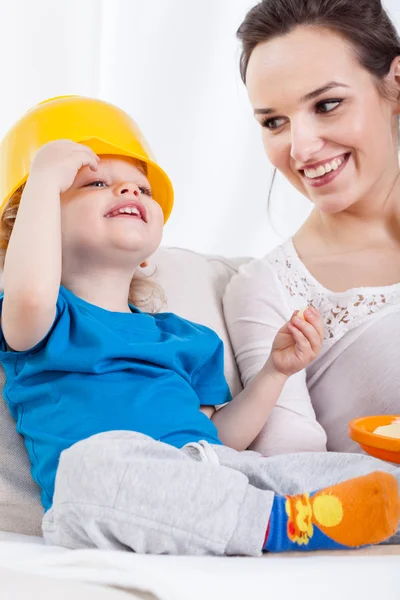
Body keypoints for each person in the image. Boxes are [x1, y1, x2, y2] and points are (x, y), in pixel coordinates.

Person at [0, 95, 398, 556]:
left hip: (214, 472)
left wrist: (274, 371)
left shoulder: (183, 337)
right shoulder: (39, 318)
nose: (129, 191)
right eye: (96, 183)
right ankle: (275, 524)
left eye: (141, 189)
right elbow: (29, 289)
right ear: (30, 219)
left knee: (330, 472)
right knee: (88, 466)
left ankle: (333, 513)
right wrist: (45, 175)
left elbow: (221, 435)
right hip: (117, 497)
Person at [224, 0, 400, 456]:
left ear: (395, 83)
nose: (300, 148)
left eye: (327, 104)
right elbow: (293, 470)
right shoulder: (269, 290)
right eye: (274, 122)